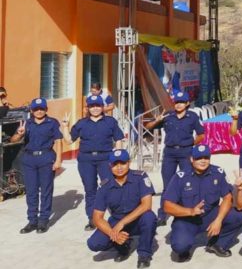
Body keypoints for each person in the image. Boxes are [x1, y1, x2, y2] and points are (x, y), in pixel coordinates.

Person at [163, 144, 242, 261]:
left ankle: (217, 244)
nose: (203, 161)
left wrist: (218, 220)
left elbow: (227, 197)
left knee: (239, 214)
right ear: (191, 159)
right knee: (180, 246)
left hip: (210, 215)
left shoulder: (217, 172)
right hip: (187, 219)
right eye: (198, 158)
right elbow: (167, 206)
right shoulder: (180, 176)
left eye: (206, 157)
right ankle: (185, 247)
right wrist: (191, 211)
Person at [62, 95, 124, 230]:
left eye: (97, 106)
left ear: (102, 107)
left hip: (105, 159)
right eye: (92, 106)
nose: (95, 108)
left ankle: (116, 217)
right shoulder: (81, 123)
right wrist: (65, 126)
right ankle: (93, 219)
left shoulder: (110, 122)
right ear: (88, 108)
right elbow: (68, 140)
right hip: (86, 160)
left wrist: (118, 157)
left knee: (109, 188)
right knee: (90, 190)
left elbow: (118, 138)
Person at [143, 91, 205, 226]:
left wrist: (190, 145)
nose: (178, 105)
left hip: (186, 153)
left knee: (188, 182)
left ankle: (188, 212)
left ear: (187, 103)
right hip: (170, 153)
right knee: (167, 184)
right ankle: (162, 214)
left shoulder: (192, 117)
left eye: (182, 102)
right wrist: (157, 120)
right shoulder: (168, 116)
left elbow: (201, 135)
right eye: (177, 102)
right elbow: (147, 128)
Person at [87, 149, 157, 268]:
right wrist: (113, 234)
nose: (119, 167)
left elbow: (146, 205)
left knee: (149, 217)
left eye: (123, 163)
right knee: (94, 243)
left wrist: (122, 223)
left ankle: (144, 254)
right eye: (115, 164)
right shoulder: (105, 186)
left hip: (138, 220)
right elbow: (97, 218)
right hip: (117, 220)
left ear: (129, 163)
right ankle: (124, 246)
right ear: (110, 165)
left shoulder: (140, 177)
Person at [9, 97, 62, 233]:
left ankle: (43, 220)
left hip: (46, 157)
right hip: (29, 159)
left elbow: (58, 141)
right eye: (36, 109)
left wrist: (58, 160)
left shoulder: (52, 123)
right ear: (32, 110)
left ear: (46, 109)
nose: (39, 111)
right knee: (31, 191)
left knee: (46, 190)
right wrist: (19, 134)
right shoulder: (26, 123)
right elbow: (13, 139)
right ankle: (32, 221)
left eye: (41, 108)